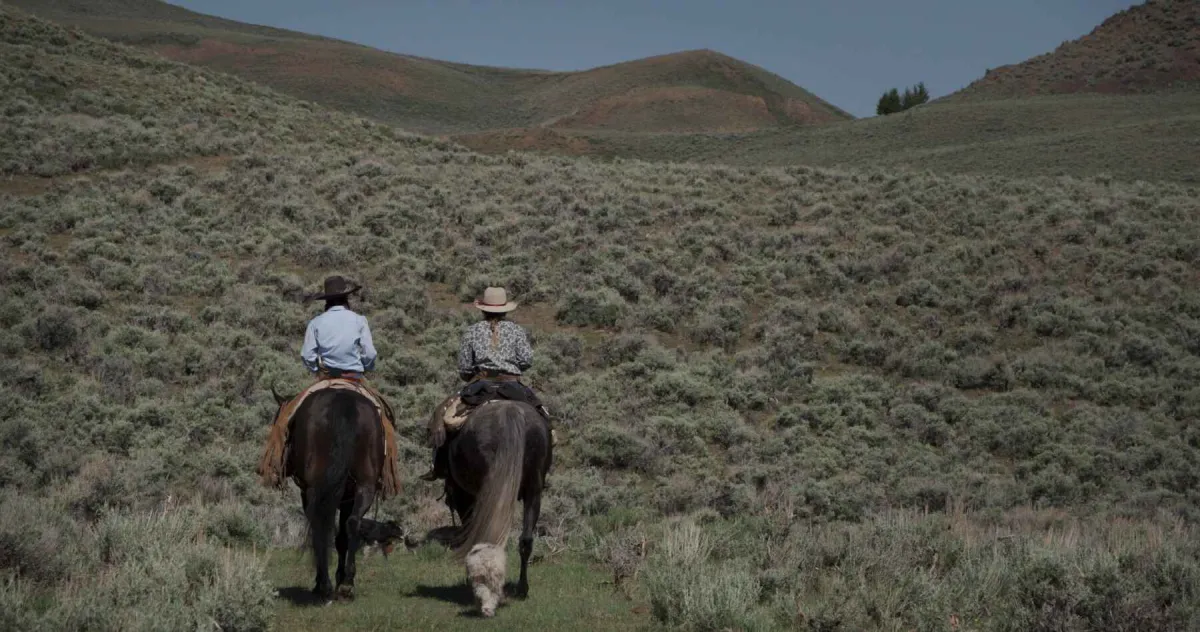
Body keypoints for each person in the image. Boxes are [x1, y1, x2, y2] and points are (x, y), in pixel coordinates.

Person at [419, 286, 548, 482]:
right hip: (513, 385)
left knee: (442, 417)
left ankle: (438, 465)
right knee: (544, 417)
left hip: (480, 385)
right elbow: (527, 359)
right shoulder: (516, 330)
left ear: (483, 309)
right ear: (505, 310)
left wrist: (473, 373)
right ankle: (540, 470)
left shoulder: (472, 331)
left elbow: (464, 367)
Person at [301, 275, 377, 380]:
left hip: (327, 376)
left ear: (327, 301)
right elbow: (370, 353)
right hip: (353, 376)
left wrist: (316, 370)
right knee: (375, 396)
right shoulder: (359, 320)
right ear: (346, 299)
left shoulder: (315, 323)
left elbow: (307, 355)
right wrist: (366, 367)